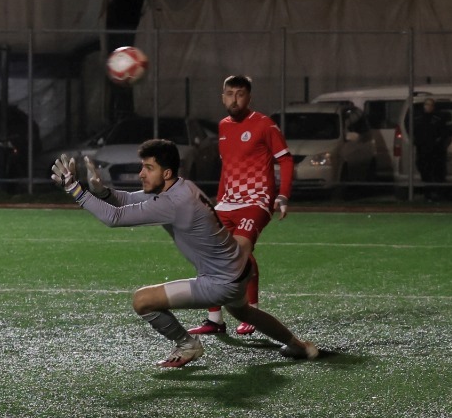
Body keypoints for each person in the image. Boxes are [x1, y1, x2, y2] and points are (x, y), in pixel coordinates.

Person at [50, 139, 320, 368]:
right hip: (240, 268)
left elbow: (114, 218)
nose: (142, 173)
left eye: (148, 168)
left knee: (143, 301)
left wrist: (75, 191)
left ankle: (187, 344)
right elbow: (128, 201)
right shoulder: (182, 187)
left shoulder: (173, 203)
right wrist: (102, 191)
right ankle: (298, 345)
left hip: (221, 282)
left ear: (166, 173)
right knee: (245, 313)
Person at [187, 75, 294, 338]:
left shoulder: (264, 125)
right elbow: (228, 168)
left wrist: (283, 196)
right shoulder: (223, 126)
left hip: (256, 201)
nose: (235, 99)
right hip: (227, 202)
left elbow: (286, 160)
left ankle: (251, 313)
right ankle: (214, 319)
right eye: (230, 93)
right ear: (222, 96)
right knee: (208, 252)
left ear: (249, 97)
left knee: (238, 253)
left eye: (240, 94)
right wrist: (218, 200)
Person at [411, 98, 452, 200]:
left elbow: (444, 134)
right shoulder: (418, 119)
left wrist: (438, 143)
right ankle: (428, 194)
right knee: (425, 172)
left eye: (430, 105)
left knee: (438, 173)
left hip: (436, 151)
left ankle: (438, 194)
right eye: (426, 105)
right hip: (423, 151)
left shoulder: (438, 119)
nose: (428, 107)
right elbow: (414, 134)